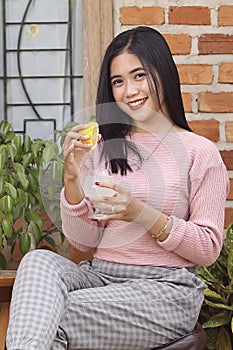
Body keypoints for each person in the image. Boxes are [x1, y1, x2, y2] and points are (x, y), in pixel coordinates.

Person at [6, 26, 229, 350]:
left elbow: (208, 249)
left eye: (139, 76)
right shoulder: (106, 148)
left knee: (47, 316)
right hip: (102, 277)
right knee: (37, 262)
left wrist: (139, 212)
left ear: (162, 72)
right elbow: (85, 239)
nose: (129, 90)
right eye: (118, 81)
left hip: (165, 291)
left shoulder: (199, 152)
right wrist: (72, 177)